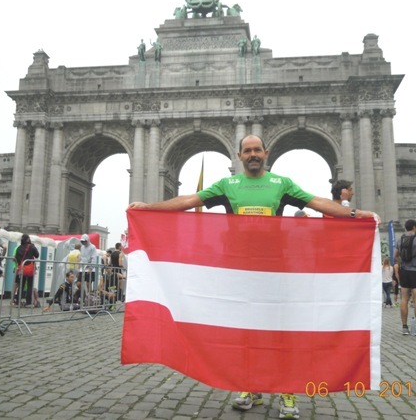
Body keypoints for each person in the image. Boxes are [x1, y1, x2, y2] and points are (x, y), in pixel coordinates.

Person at [129, 134, 379, 420]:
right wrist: (149, 208)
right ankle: (250, 387)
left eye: (257, 150)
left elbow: (317, 203)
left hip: (276, 271)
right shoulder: (227, 185)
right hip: (240, 273)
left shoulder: (281, 183)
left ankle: (286, 390)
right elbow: (188, 200)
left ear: (266, 152)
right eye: (247, 151)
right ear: (239, 156)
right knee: (245, 334)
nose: (252, 155)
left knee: (281, 333)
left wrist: (355, 214)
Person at [14, 234, 39, 307]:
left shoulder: (19, 247)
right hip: (30, 268)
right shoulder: (31, 246)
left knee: (21, 285)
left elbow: (16, 258)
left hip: (21, 268)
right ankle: (28, 302)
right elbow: (37, 255)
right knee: (30, 285)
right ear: (28, 239)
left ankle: (18, 302)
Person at [77, 233, 98, 298]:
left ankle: (90, 296)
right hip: (83, 268)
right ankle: (84, 295)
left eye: (84, 241)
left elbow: (94, 258)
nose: (83, 242)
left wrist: (91, 268)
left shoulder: (92, 247)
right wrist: (79, 265)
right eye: (82, 241)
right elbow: (82, 257)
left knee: (88, 284)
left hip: (89, 268)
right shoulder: (82, 247)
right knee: (79, 283)